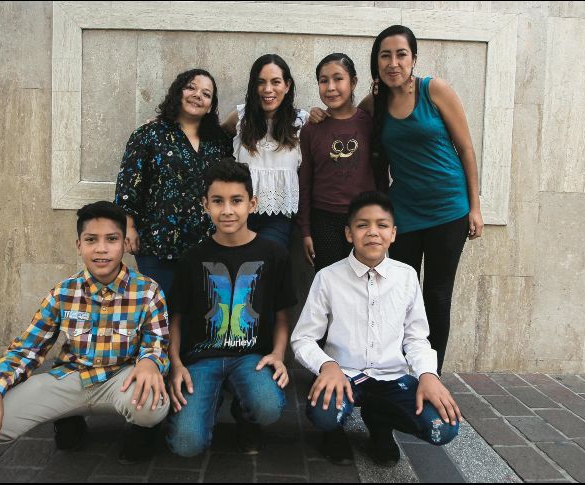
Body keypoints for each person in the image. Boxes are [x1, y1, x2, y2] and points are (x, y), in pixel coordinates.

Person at [311, 25, 483, 373]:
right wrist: (319, 116)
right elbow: (345, 118)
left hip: (449, 210)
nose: (393, 62)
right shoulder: (375, 103)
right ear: (376, 63)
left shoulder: (434, 90)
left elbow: (465, 148)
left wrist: (475, 206)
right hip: (403, 214)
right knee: (400, 296)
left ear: (413, 58)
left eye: (401, 54)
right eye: (385, 56)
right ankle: (396, 373)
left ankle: (430, 375)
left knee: (437, 296)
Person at [0, 201, 170, 464]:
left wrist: (150, 362)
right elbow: (27, 348)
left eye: (112, 239)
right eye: (91, 239)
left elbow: (157, 342)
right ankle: (69, 418)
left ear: (124, 243)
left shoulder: (148, 291)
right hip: (72, 379)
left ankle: (142, 433)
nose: (102, 249)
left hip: (121, 380)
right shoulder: (63, 292)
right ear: (79, 245)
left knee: (152, 405)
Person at [291, 191, 461, 467]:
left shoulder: (406, 277)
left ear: (393, 234)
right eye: (362, 225)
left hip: (392, 377)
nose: (372, 232)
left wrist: (429, 374)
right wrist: (327, 365)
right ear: (349, 233)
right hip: (344, 375)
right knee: (324, 414)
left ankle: (380, 425)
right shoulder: (329, 277)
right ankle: (333, 433)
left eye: (382, 225)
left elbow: (416, 337)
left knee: (443, 426)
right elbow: (303, 338)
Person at [165, 160, 295, 457]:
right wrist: (175, 364)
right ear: (205, 205)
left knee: (268, 407)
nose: (227, 210)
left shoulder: (274, 254)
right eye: (217, 201)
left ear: (252, 204)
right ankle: (208, 402)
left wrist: (277, 354)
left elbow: (282, 314)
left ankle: (246, 415)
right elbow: (176, 317)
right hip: (200, 359)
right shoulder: (192, 258)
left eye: (236, 201)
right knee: (186, 445)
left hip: (251, 356)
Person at [115, 68, 232, 297]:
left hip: (207, 247)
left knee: (198, 316)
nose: (198, 95)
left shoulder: (219, 141)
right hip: (158, 245)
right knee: (163, 313)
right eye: (191, 88)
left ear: (211, 105)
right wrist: (128, 226)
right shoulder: (149, 133)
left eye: (206, 94)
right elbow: (128, 185)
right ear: (177, 92)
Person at [298, 53, 377, 272]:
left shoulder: (368, 123)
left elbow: (380, 172)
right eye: (324, 81)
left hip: (364, 217)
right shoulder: (311, 129)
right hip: (324, 220)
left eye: (338, 78)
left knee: (363, 283)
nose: (331, 87)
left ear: (353, 82)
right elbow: (305, 182)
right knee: (330, 286)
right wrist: (305, 230)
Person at [221, 54, 309, 248]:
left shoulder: (302, 121)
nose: (268, 89)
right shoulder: (240, 117)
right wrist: (166, 123)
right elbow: (210, 136)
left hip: (278, 218)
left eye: (275, 82)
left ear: (287, 86)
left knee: (268, 267)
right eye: (261, 82)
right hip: (237, 215)